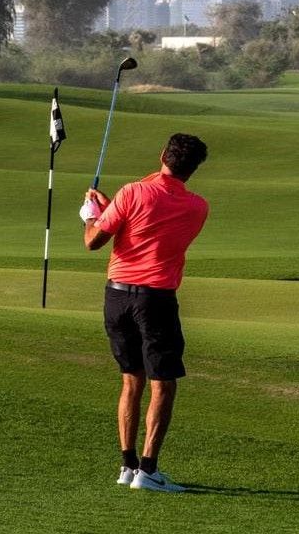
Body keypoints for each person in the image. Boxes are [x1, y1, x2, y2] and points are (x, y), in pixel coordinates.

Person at [79, 132, 210, 493]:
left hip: (117, 297)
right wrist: (113, 211)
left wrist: (91, 216)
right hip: (156, 300)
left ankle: (127, 466)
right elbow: (153, 226)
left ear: (162, 154)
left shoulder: (131, 192)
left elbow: (93, 241)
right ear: (194, 169)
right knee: (163, 383)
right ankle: (148, 471)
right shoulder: (198, 207)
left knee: (131, 380)